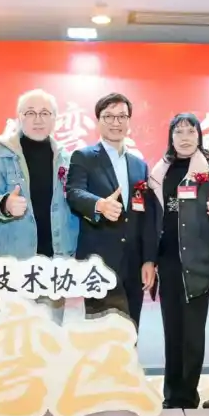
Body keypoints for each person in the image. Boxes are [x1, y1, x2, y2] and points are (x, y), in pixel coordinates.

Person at [147, 113, 209, 409]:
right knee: (172, 331)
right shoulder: (159, 172)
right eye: (179, 132)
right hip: (167, 263)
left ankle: (187, 395)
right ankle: (172, 395)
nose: (184, 138)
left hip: (197, 264)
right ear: (171, 137)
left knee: (193, 334)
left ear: (199, 136)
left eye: (190, 132)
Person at [66, 93, 158, 326]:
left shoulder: (139, 164)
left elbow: (145, 217)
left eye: (122, 117)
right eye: (109, 116)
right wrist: (99, 205)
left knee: (131, 328)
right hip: (99, 262)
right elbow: (74, 192)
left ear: (128, 121)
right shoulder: (84, 157)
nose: (116, 122)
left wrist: (148, 260)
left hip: (133, 263)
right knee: (101, 332)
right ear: (98, 120)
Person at [0, 89, 79, 258]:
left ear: (54, 118)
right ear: (20, 117)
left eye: (44, 113)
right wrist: (5, 204)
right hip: (16, 259)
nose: (38, 119)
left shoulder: (65, 158)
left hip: (60, 258)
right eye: (30, 113)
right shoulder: (2, 155)